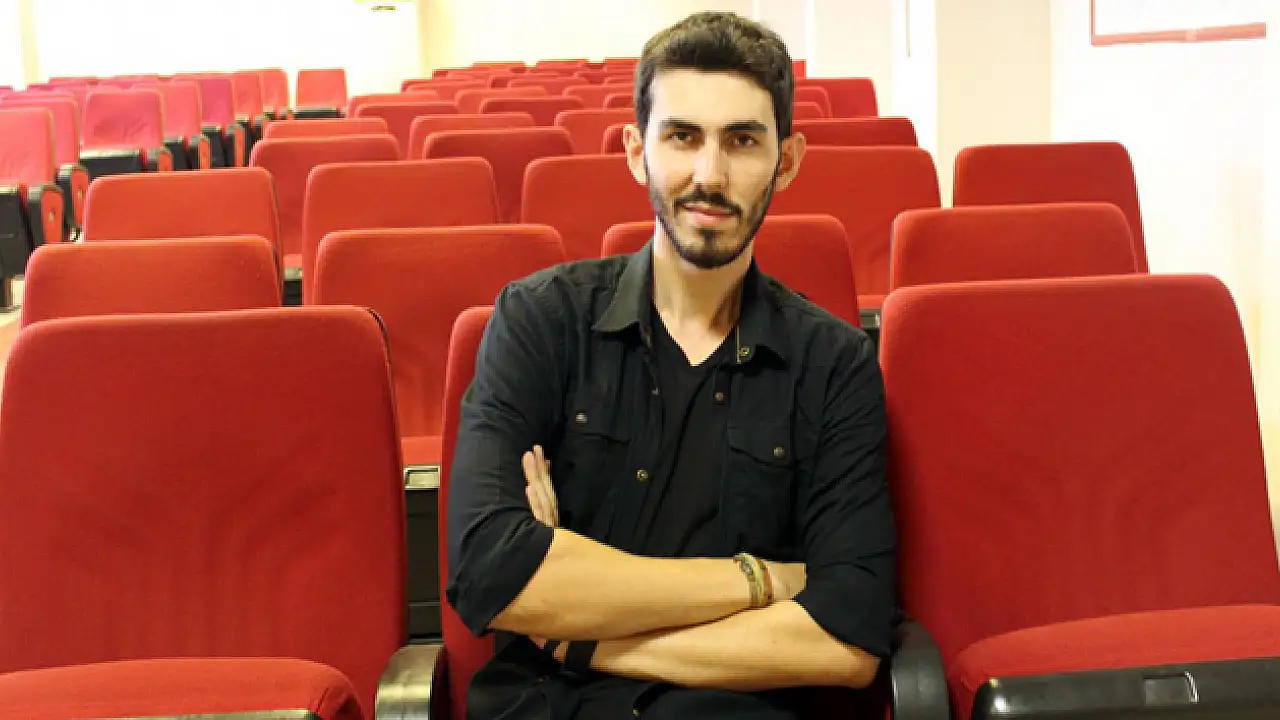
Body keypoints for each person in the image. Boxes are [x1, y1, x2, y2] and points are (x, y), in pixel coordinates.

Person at [446, 11, 896, 720]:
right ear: (637, 151)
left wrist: (581, 637)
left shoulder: (834, 364)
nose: (710, 176)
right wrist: (760, 581)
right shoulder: (540, 321)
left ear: (786, 161)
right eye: (682, 137)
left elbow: (846, 639)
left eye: (742, 141)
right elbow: (490, 572)